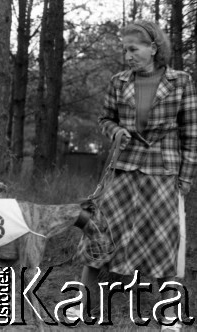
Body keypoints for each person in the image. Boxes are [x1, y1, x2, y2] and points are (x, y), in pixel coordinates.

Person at [69, 20, 197, 331]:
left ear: (153, 48)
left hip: (163, 171)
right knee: (100, 235)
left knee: (164, 241)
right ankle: (80, 303)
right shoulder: (118, 81)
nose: (128, 55)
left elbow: (191, 133)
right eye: (125, 49)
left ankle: (169, 315)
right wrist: (116, 131)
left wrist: (186, 177)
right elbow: (105, 118)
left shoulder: (181, 82)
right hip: (123, 169)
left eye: (133, 48)